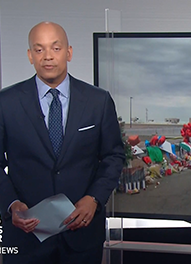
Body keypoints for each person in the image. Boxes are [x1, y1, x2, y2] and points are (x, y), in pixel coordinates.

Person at [0, 22, 125, 264]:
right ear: (29, 55)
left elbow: (113, 156)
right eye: (39, 50)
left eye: (55, 48)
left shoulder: (97, 101)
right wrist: (11, 205)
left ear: (68, 52)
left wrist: (94, 199)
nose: (47, 56)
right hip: (26, 238)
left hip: (82, 236)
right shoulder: (6, 102)